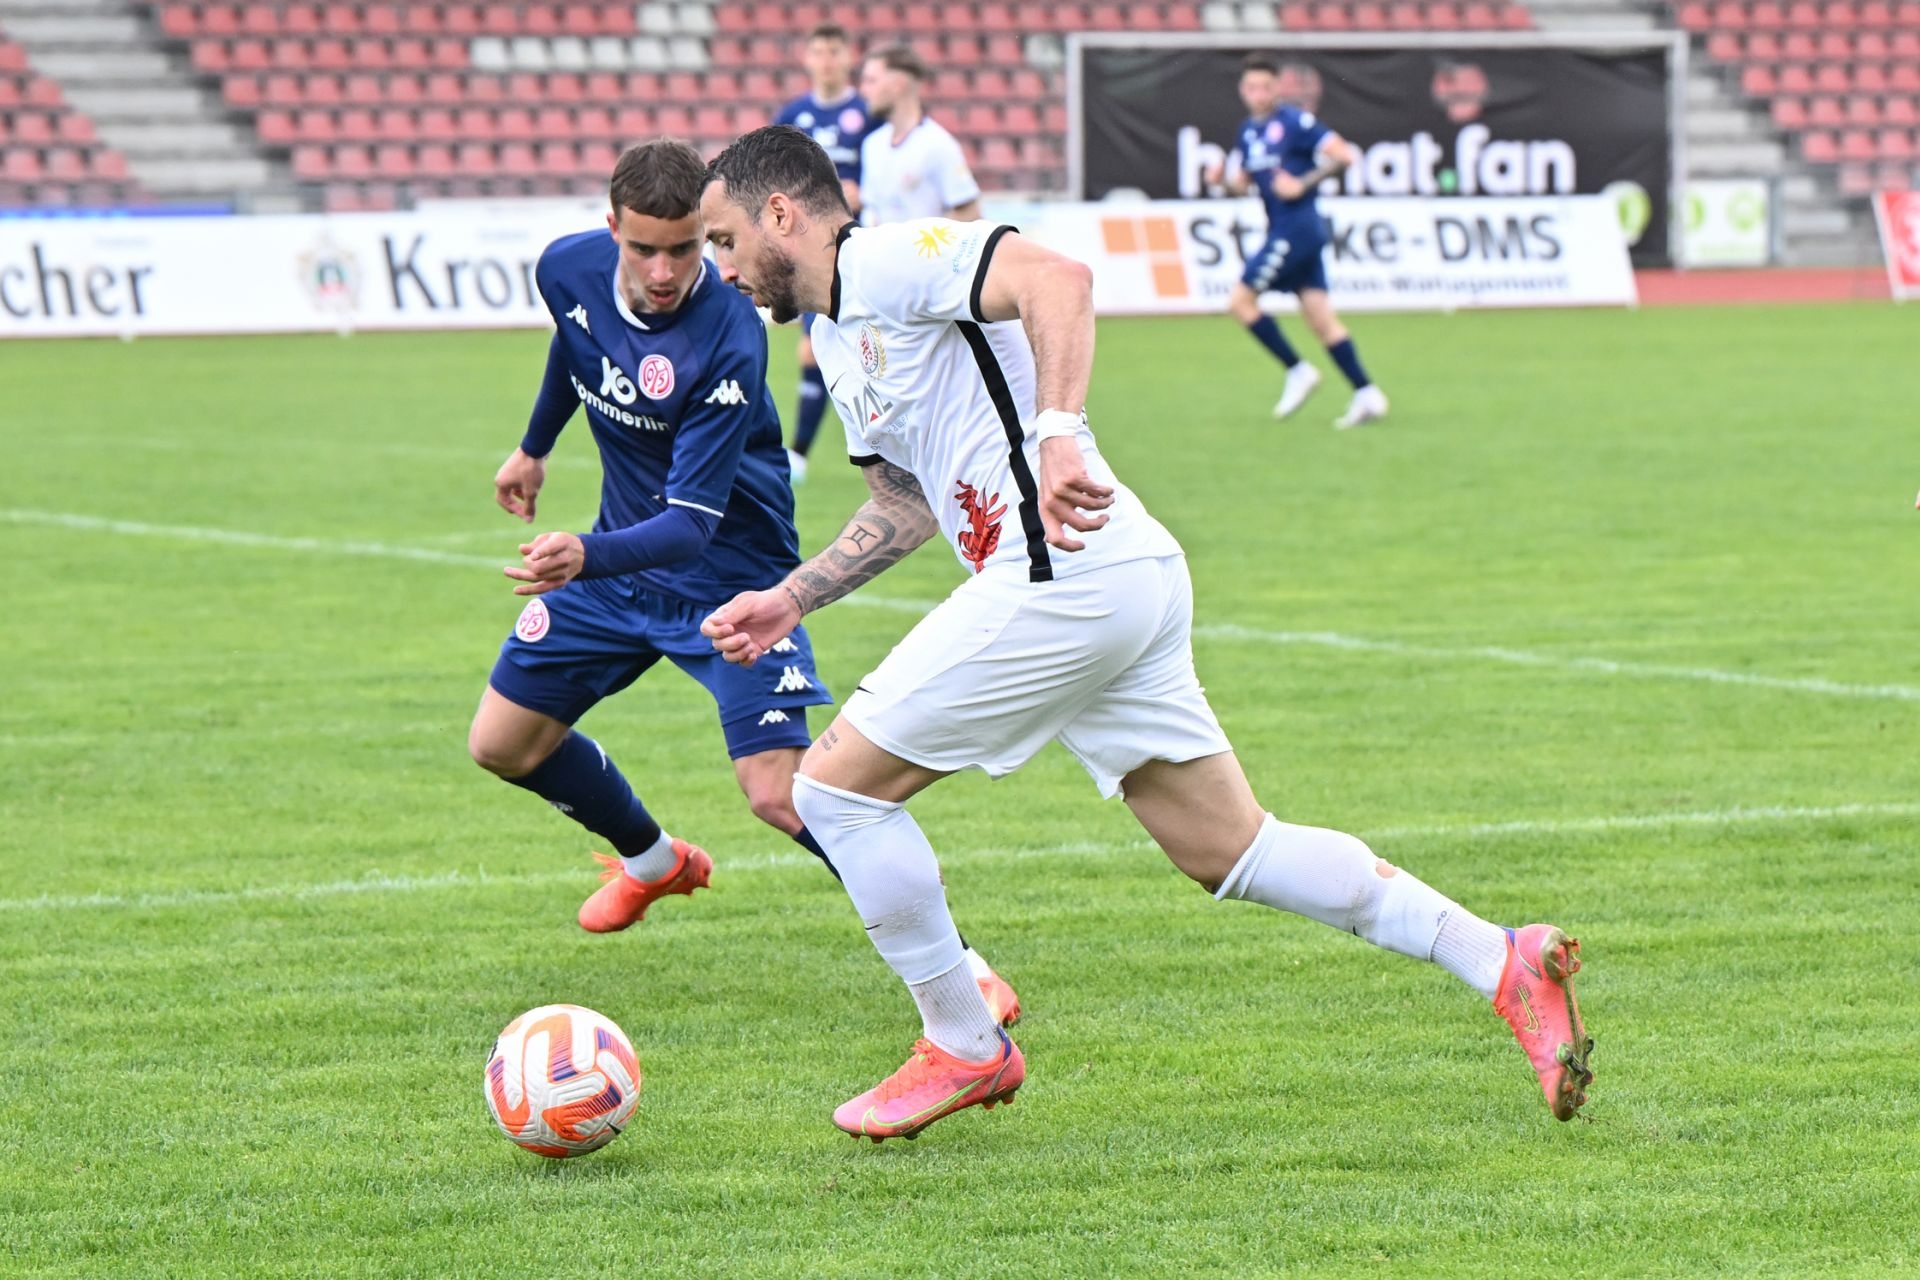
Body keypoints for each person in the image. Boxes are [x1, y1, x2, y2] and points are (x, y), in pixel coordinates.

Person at [697, 125, 1593, 1141]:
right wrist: (795, 597)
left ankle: (963, 1039)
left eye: (725, 240)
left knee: (832, 793)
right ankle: (1499, 958)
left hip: (1063, 571)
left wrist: (1057, 434)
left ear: (782, 214)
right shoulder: (835, 336)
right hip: (1109, 575)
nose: (722, 268)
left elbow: (1059, 279)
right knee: (1231, 848)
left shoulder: (891, 258)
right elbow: (904, 503)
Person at [466, 137, 1020, 1026]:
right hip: (618, 567)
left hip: (731, 585)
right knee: (502, 743)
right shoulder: (566, 268)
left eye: (685, 248)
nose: (664, 271)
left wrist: (583, 555)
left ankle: (964, 968)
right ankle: (655, 862)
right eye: (643, 249)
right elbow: (577, 346)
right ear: (610, 229)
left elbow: (692, 523)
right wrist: (534, 448)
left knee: (780, 792)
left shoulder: (729, 329)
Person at [1204, 53, 1389, 429]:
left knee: (1240, 302)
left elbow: (1344, 155)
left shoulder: (1295, 122)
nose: (1259, 94)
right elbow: (1242, 186)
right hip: (1287, 231)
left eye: (1265, 87)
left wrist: (1302, 184)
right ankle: (1367, 393)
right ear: (1243, 90)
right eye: (1252, 87)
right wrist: (1220, 181)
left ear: (1277, 88)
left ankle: (1298, 370)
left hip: (1297, 229)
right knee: (1321, 319)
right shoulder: (1248, 131)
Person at [771, 22, 874, 485]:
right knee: (814, 350)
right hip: (814, 249)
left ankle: (883, 446)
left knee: (869, 349)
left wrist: (864, 192)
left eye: (835, 51)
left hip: (863, 247)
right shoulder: (794, 115)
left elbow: (885, 171)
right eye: (820, 51)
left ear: (848, 57)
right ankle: (799, 453)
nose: (827, 60)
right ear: (807, 59)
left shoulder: (868, 113)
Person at [855, 44, 981, 227]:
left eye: (871, 81)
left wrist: (923, 240)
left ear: (898, 85)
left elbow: (970, 211)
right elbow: (872, 210)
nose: (863, 90)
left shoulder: (937, 144)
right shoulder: (872, 144)